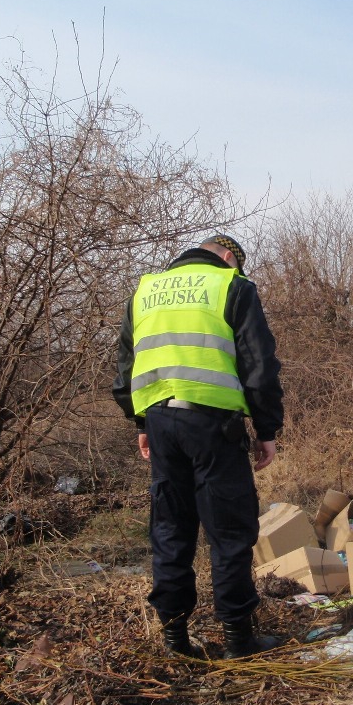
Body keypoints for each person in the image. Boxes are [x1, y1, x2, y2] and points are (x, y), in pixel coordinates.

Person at [112, 233, 284, 659]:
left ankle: (175, 639)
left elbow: (125, 368)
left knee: (171, 529)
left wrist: (141, 422)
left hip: (161, 421)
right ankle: (238, 640)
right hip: (213, 425)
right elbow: (259, 364)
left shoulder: (145, 291)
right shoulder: (232, 286)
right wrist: (266, 430)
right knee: (228, 531)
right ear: (228, 257)